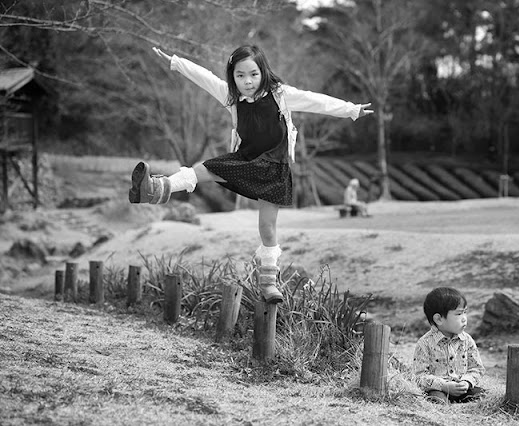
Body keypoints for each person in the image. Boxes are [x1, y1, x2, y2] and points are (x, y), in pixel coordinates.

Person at [128, 45, 374, 304]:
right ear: (233, 77)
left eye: (253, 74)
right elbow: (206, 79)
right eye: (240, 75)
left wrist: (351, 110)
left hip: (273, 169)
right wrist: (177, 63)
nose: (247, 81)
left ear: (263, 72)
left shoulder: (281, 95)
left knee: (267, 228)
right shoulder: (232, 98)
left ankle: (269, 283)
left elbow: (316, 101)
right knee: (206, 168)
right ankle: (156, 189)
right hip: (244, 161)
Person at [413, 287, 486, 404]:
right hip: (439, 390)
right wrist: (444, 386)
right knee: (437, 400)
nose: (464, 319)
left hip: (463, 388)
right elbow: (419, 377)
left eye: (465, 312)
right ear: (439, 319)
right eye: (458, 314)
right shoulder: (425, 343)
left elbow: (477, 368)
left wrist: (466, 382)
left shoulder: (467, 340)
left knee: (482, 396)